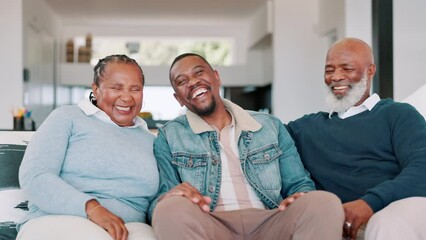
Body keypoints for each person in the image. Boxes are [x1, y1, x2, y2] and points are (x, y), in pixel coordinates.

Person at [148, 53, 344, 240]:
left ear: (216, 77)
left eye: (199, 73)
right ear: (178, 98)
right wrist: (168, 198)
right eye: (182, 81)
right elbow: (163, 197)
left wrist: (300, 197)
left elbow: (299, 184)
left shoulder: (269, 125)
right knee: (168, 208)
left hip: (270, 221)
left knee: (325, 202)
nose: (192, 82)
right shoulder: (169, 135)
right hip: (211, 223)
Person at [286, 38, 426, 240]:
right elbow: (262, 135)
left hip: (393, 210)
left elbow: (422, 168)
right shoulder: (305, 128)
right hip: (335, 220)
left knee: (387, 223)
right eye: (329, 70)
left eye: (346, 68)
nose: (336, 77)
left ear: (370, 71)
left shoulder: (398, 114)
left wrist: (369, 202)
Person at [17, 54, 159, 240]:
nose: (126, 97)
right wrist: (92, 208)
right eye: (116, 88)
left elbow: (159, 198)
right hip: (61, 219)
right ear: (96, 89)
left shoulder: (151, 140)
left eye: (135, 89)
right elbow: (34, 176)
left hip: (131, 228)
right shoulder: (68, 117)